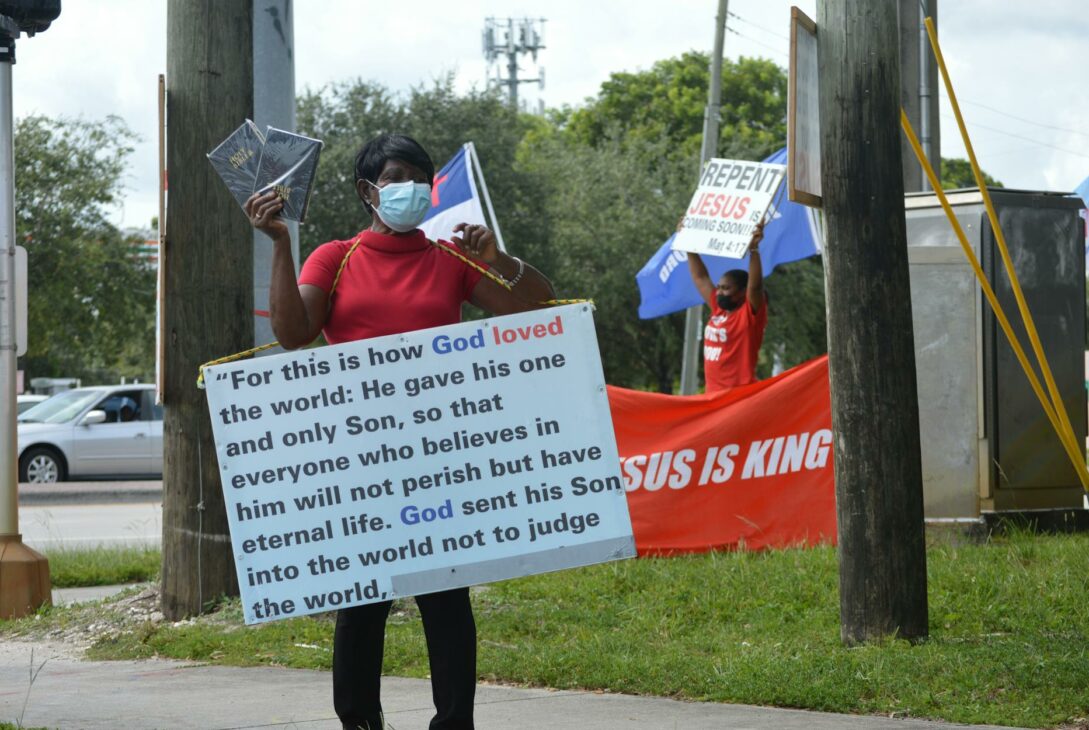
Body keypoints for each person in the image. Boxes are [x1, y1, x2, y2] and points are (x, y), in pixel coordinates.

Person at [245, 133, 555, 730]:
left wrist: (499, 262)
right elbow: (292, 333)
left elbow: (535, 305)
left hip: (439, 459)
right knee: (361, 604)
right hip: (361, 462)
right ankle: (360, 721)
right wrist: (280, 245)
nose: (410, 188)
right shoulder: (335, 258)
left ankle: (453, 722)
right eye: (395, 177)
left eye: (420, 177)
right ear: (368, 191)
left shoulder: (450, 259)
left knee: (446, 599)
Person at [686, 221, 767, 392]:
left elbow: (756, 287)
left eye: (726, 288)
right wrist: (687, 242)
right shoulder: (718, 309)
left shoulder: (748, 315)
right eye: (719, 287)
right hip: (713, 396)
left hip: (738, 397)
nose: (720, 292)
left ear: (742, 292)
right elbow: (700, 277)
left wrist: (753, 250)